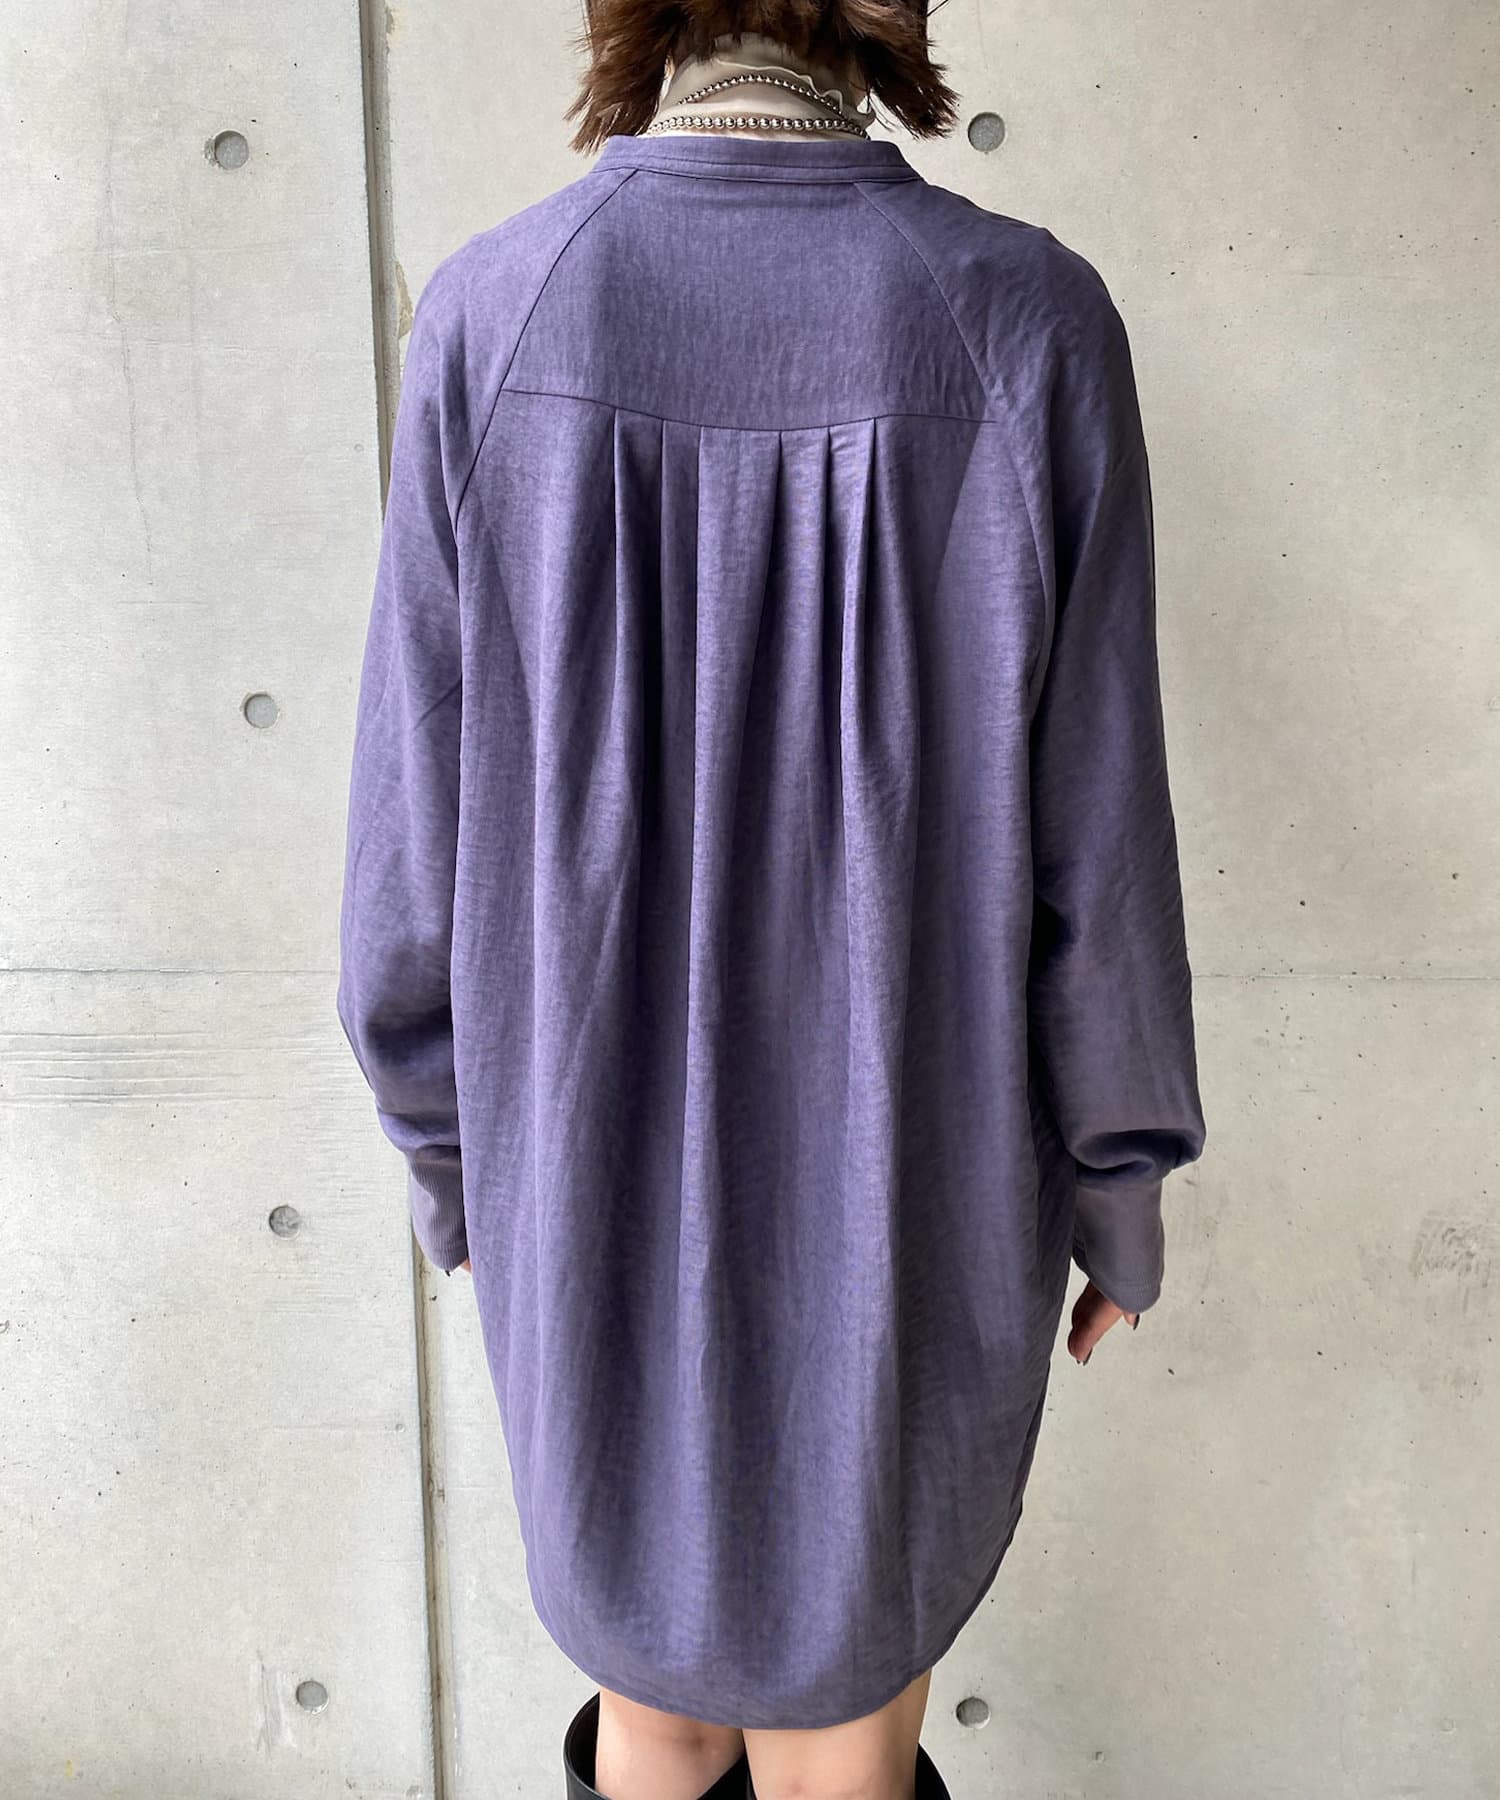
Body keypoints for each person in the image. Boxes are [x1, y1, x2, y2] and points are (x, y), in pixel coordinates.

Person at [334, 1, 1209, 1796]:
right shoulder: (1029, 323)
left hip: (578, 1173)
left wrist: (453, 1160)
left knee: (650, 1711)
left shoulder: (495, 314)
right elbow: (1099, 834)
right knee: (846, 1724)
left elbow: (408, 849)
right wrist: (1118, 1181)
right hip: (917, 1177)